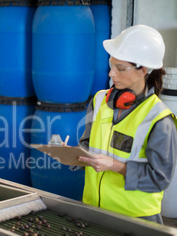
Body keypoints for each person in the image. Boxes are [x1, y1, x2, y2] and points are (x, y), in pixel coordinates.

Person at [75, 25, 177, 224]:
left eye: (120, 69)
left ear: (143, 71)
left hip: (136, 220)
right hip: (93, 211)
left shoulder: (159, 119)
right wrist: (73, 155)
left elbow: (159, 179)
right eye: (111, 66)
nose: (111, 74)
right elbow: (87, 145)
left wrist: (115, 166)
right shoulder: (98, 101)